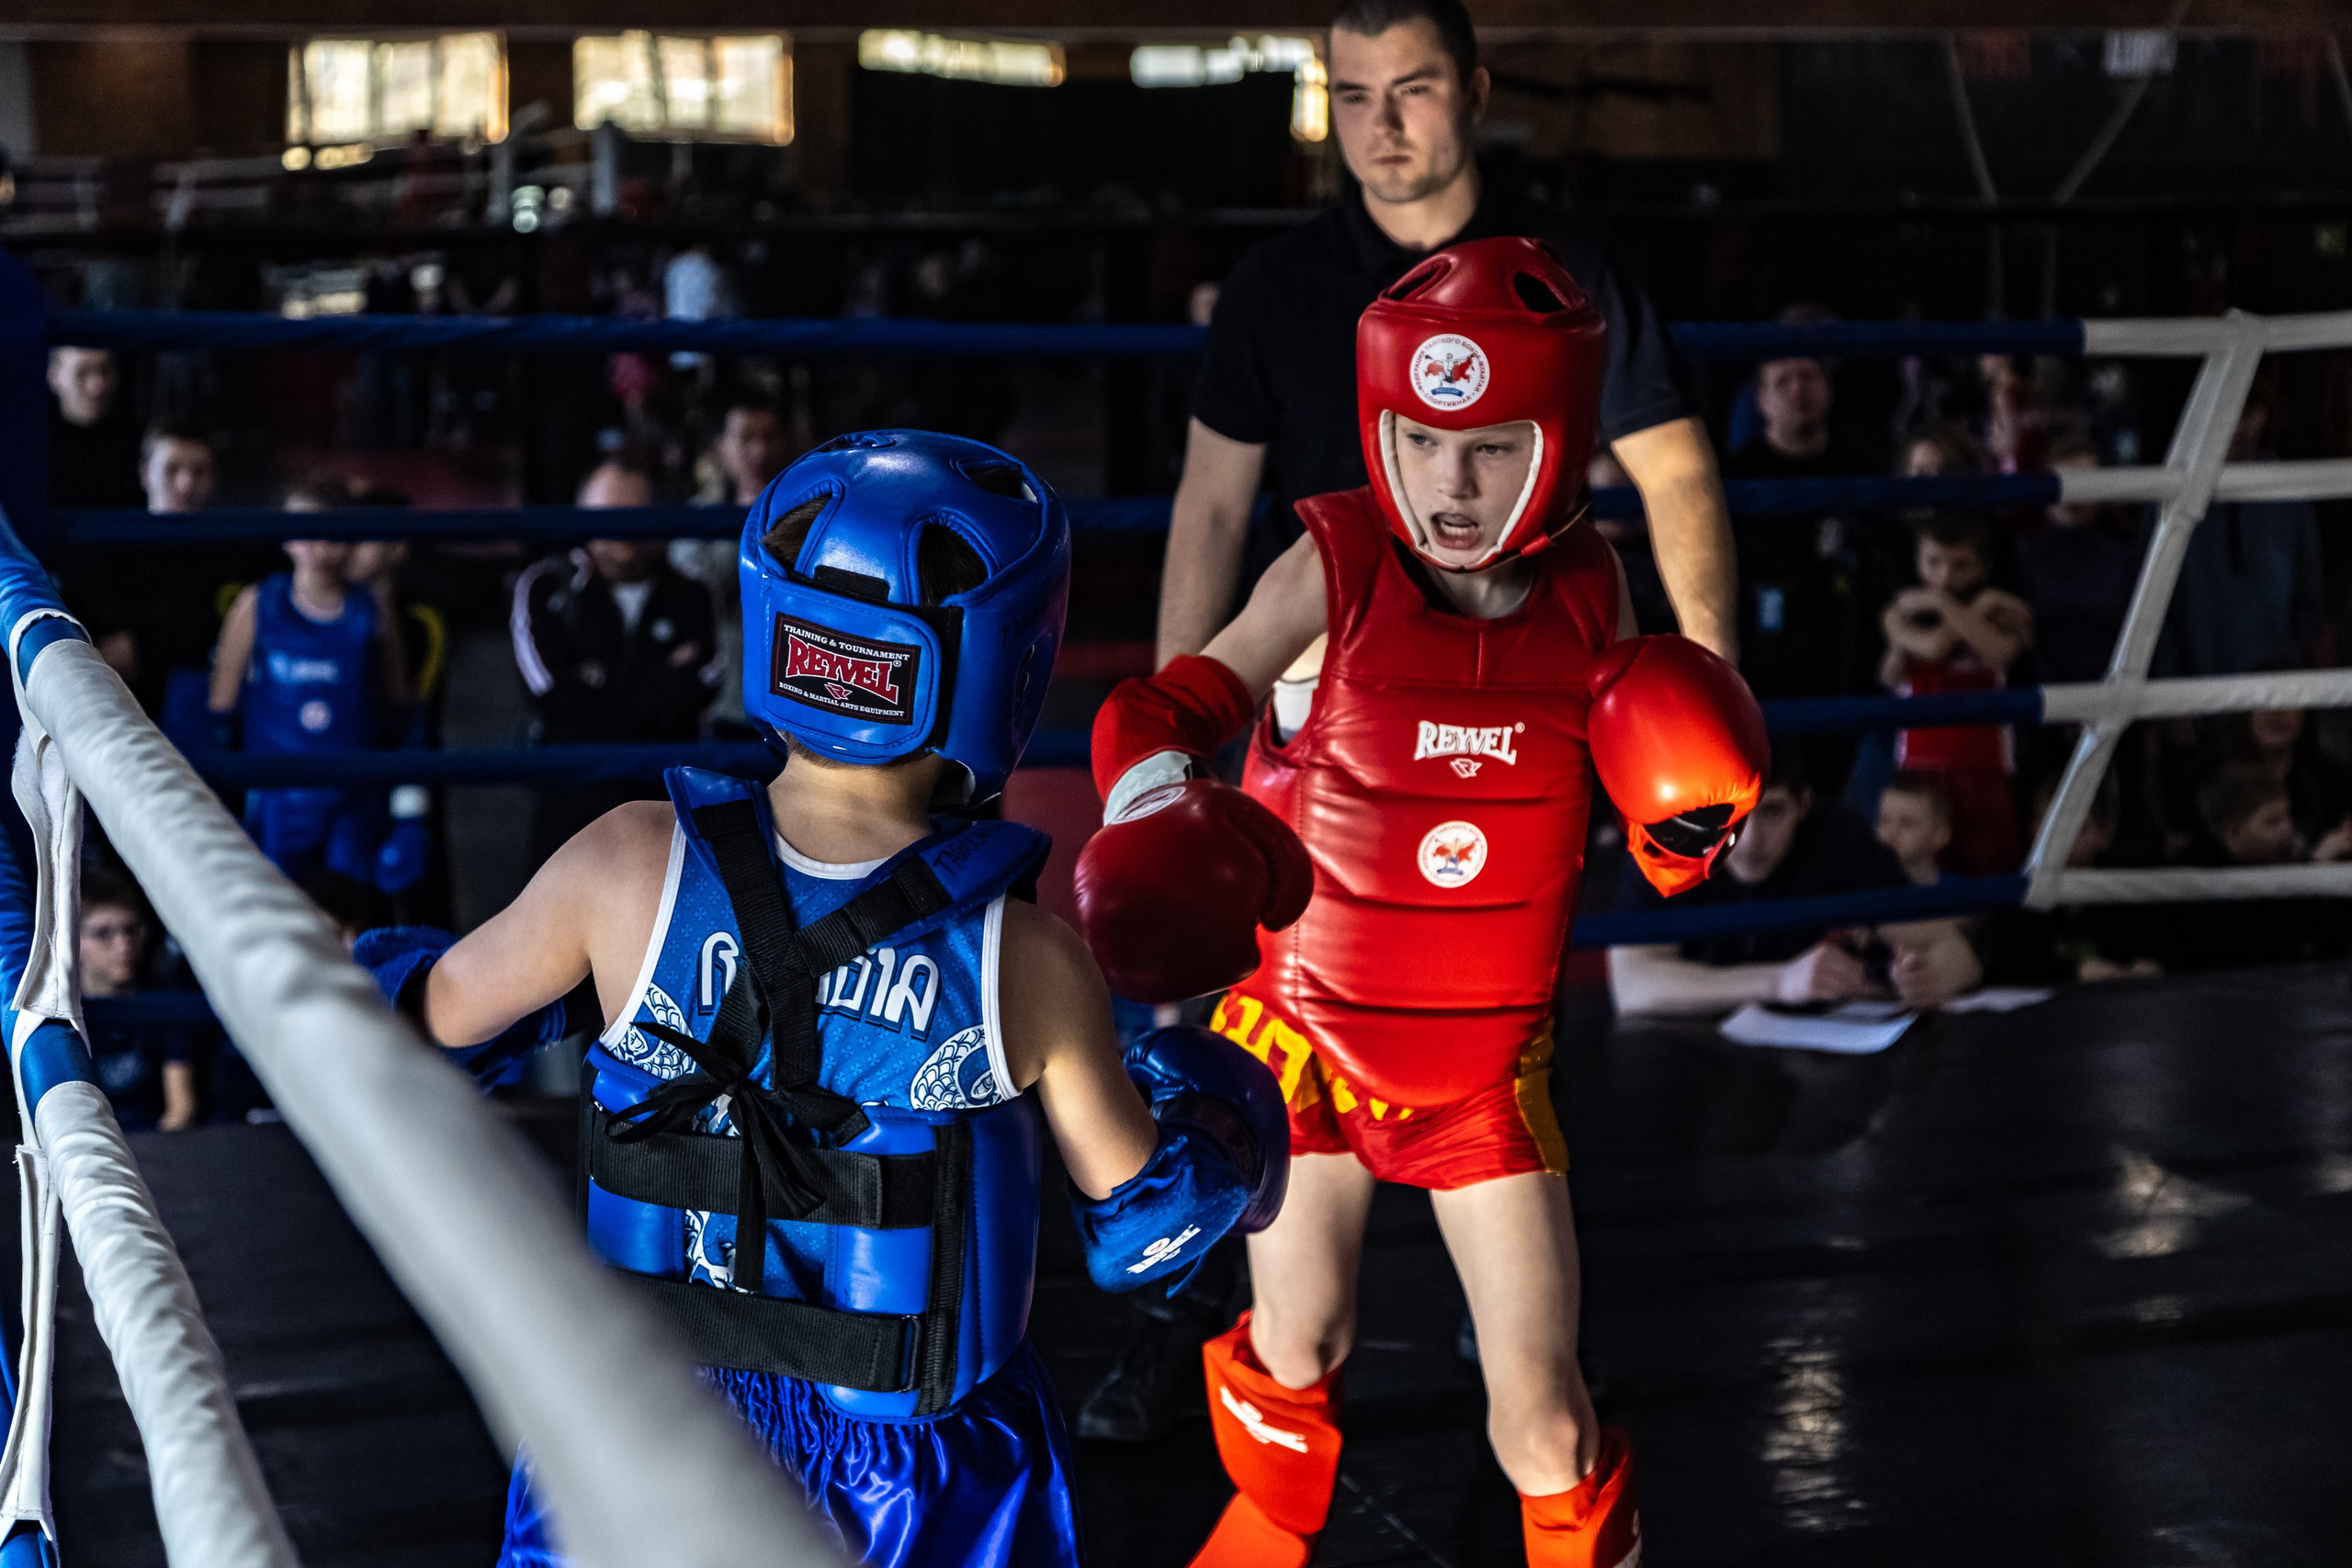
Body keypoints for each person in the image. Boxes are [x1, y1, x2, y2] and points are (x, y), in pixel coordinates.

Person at [357, 431, 1290, 1568]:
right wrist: (1231, 1122)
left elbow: (423, 1024)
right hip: (907, 1476)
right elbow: (1141, 1220)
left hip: (641, 1421)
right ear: (1010, 664)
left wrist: (584, 993)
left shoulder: (620, 864)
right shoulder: (1025, 960)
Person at [1076, 238, 1770, 1567]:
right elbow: (1173, 705)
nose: (1452, 485)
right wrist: (1159, 794)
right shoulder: (1331, 561)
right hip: (1298, 1039)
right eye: (1422, 439)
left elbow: (1645, 806)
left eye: (1494, 446)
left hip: (1484, 1072)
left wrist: (1683, 816)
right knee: (1299, 1347)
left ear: (1558, 439)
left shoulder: (1593, 590)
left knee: (1548, 1424)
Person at [1155, 0, 1735, 677]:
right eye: (1355, 96)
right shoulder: (1274, 285)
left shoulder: (1572, 269)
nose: (1384, 124)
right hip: (1327, 676)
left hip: (1530, 666)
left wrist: (1713, 672)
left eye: (1413, 90)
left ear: (1475, 95)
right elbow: (1213, 507)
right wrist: (1172, 720)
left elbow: (1675, 472)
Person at [1610, 740, 1984, 1017]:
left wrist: (1941, 972)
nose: (1750, 840)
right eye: (1731, 817)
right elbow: (1631, 984)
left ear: (1803, 805)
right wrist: (1778, 981)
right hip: (1684, 1059)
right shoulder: (1672, 836)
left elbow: (1943, 942)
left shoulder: (1835, 835)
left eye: (1772, 812)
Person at [512, 461, 719, 864]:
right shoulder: (544, 586)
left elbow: (703, 686)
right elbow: (549, 694)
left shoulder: (692, 592)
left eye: (634, 513)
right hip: (571, 810)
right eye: (609, 515)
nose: (623, 528)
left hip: (667, 810)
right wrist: (657, 681)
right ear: (583, 517)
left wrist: (600, 681)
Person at [208, 485, 411, 887]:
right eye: (306, 530)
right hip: (276, 798)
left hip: (351, 796)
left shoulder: (373, 610)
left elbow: (400, 707)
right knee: (275, 914)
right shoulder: (258, 604)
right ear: (287, 537)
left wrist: (409, 811)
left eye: (329, 531)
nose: (317, 544)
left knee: (352, 914)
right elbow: (220, 707)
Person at [1880, 515, 2032, 874]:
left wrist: (1943, 604)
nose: (1945, 576)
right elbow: (1929, 650)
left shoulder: (2004, 615)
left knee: (1986, 871)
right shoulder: (1899, 614)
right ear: (1918, 560)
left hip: (1982, 767)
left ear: (1982, 566)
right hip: (1917, 770)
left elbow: (2000, 652)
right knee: (1910, 879)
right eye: (1934, 562)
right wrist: (1975, 608)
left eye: (1960, 564)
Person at [675, 395, 797, 733]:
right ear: (721, 446)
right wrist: (750, 514)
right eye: (746, 438)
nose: (759, 452)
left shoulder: (811, 515)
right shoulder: (698, 518)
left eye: (769, 438)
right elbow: (700, 594)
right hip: (727, 701)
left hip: (797, 704)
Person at [78, 867, 201, 1134]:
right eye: (104, 934)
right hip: (83, 1150)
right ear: (73, 940)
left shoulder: (164, 1003)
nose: (124, 945)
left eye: (131, 930)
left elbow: (181, 1110)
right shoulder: (56, 1012)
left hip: (153, 1145)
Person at [2016, 436, 2143, 686]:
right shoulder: (2021, 556)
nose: (2074, 493)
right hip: (2042, 704)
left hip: (2115, 697)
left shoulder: (2124, 558)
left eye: (2085, 483)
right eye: (2064, 482)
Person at [46, 345, 144, 509]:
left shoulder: (138, 443)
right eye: (82, 373)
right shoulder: (33, 448)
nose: (97, 386)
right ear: (54, 376)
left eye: (106, 370)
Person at [1875, 770, 1954, 887]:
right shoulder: (1863, 891)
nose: (1890, 833)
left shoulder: (1960, 893)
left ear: (1940, 835)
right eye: (1884, 821)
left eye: (1907, 823)